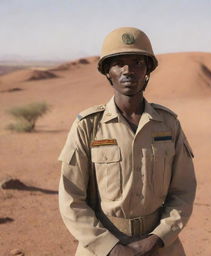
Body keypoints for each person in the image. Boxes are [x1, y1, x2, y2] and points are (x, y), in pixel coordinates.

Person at [58, 27, 197, 256]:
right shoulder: (88, 126)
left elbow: (183, 191)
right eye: (118, 63)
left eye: (137, 63)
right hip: (101, 246)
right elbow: (71, 199)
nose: (128, 71)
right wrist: (111, 248)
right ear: (107, 72)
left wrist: (157, 238)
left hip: (160, 247)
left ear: (147, 71)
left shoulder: (168, 124)